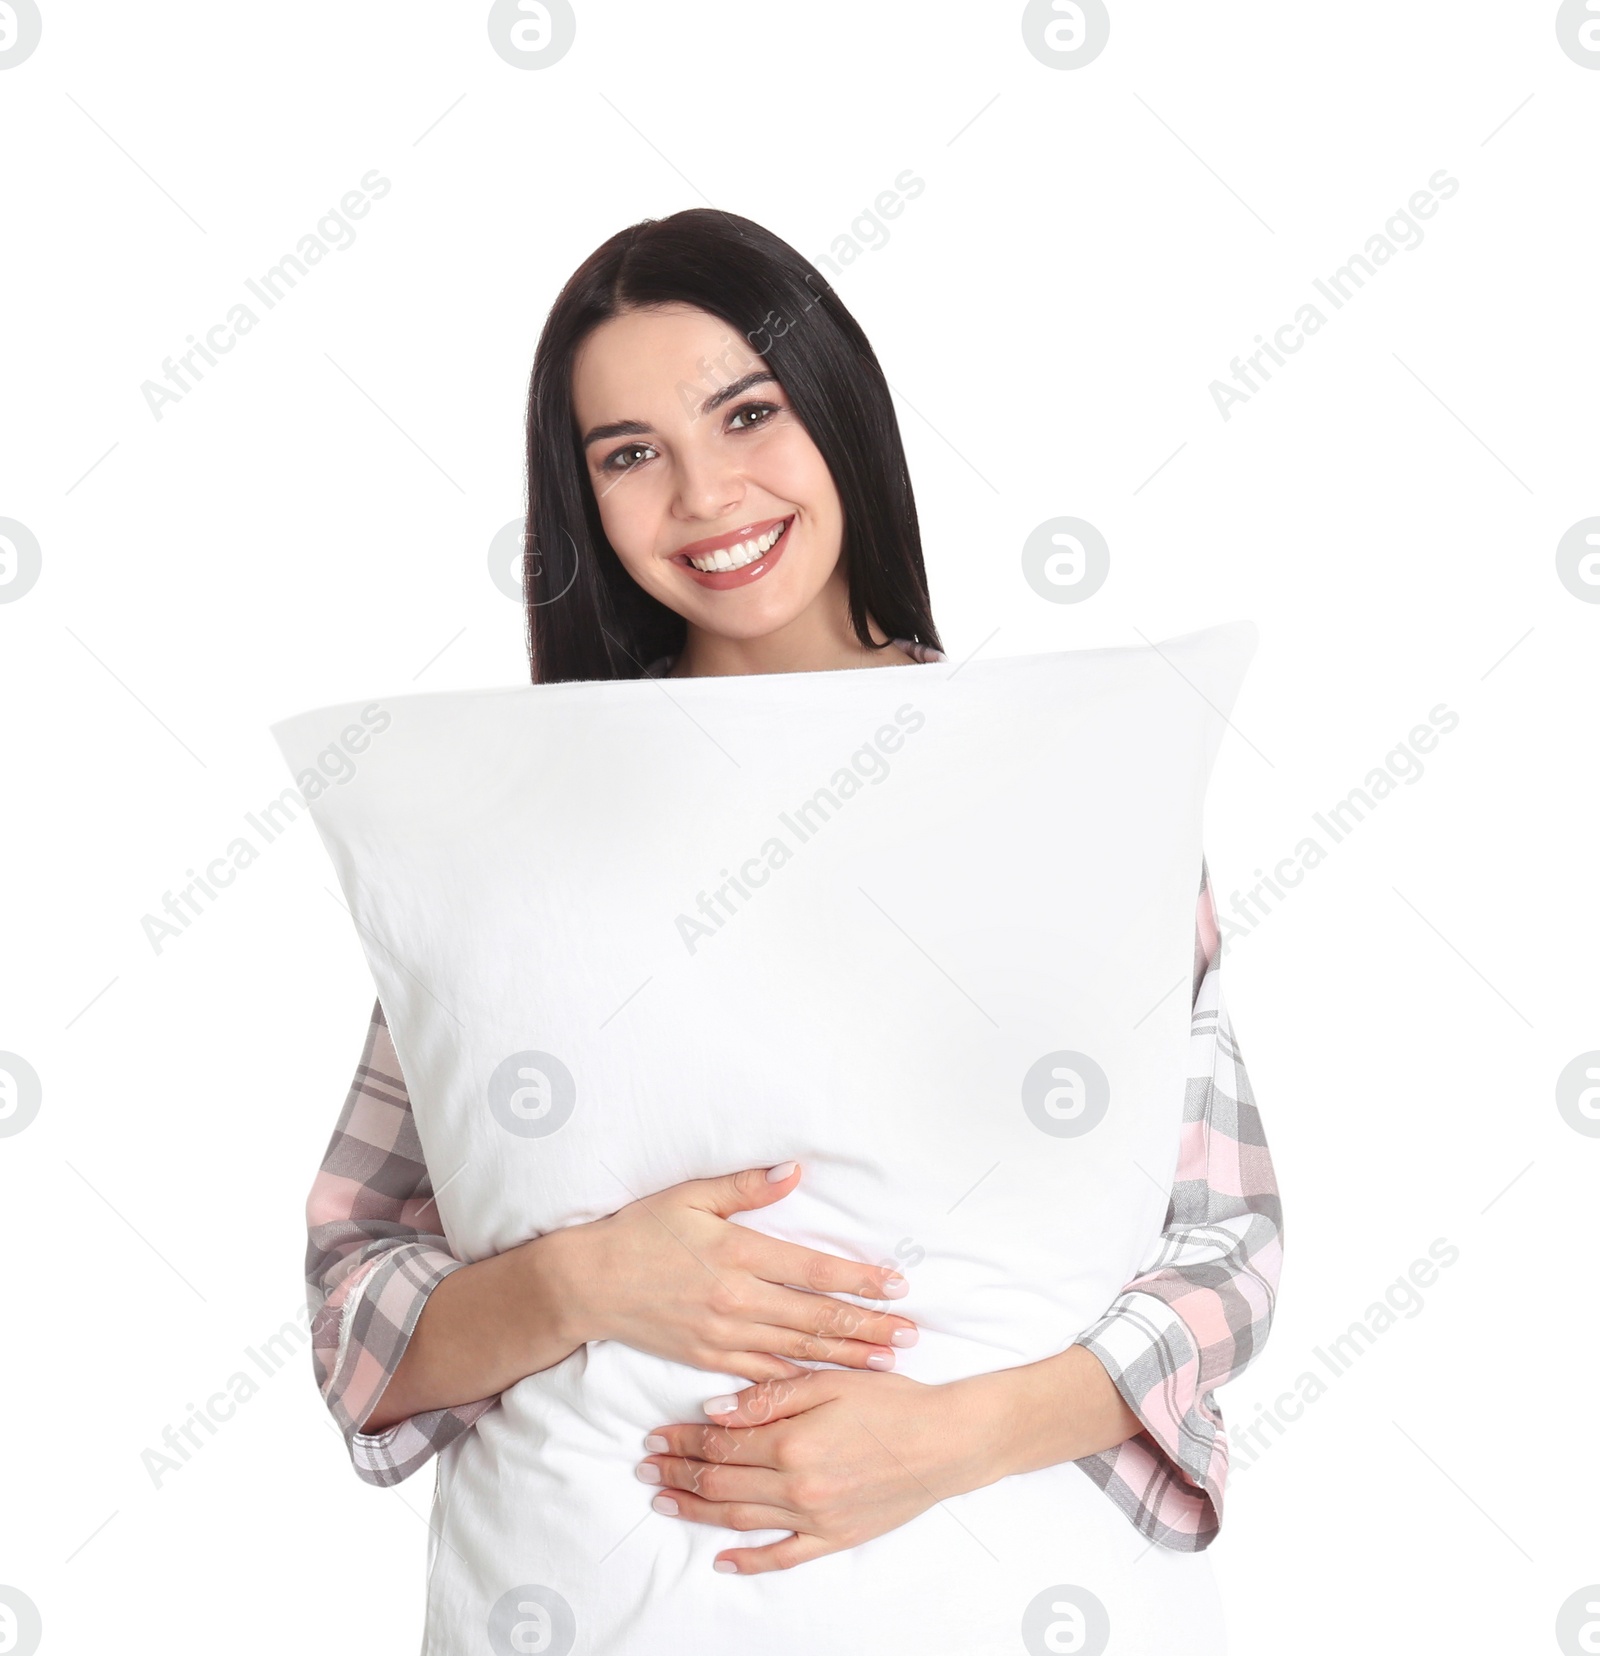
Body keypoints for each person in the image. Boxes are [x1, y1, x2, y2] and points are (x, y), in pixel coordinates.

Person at [303, 208, 1282, 1640]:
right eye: (629, 453)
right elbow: (357, 1306)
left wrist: (958, 1436)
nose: (705, 495)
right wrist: (588, 1279)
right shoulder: (520, 825)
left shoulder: (1064, 779)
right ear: (583, 503)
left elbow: (1230, 1248)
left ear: (839, 415)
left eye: (746, 414)